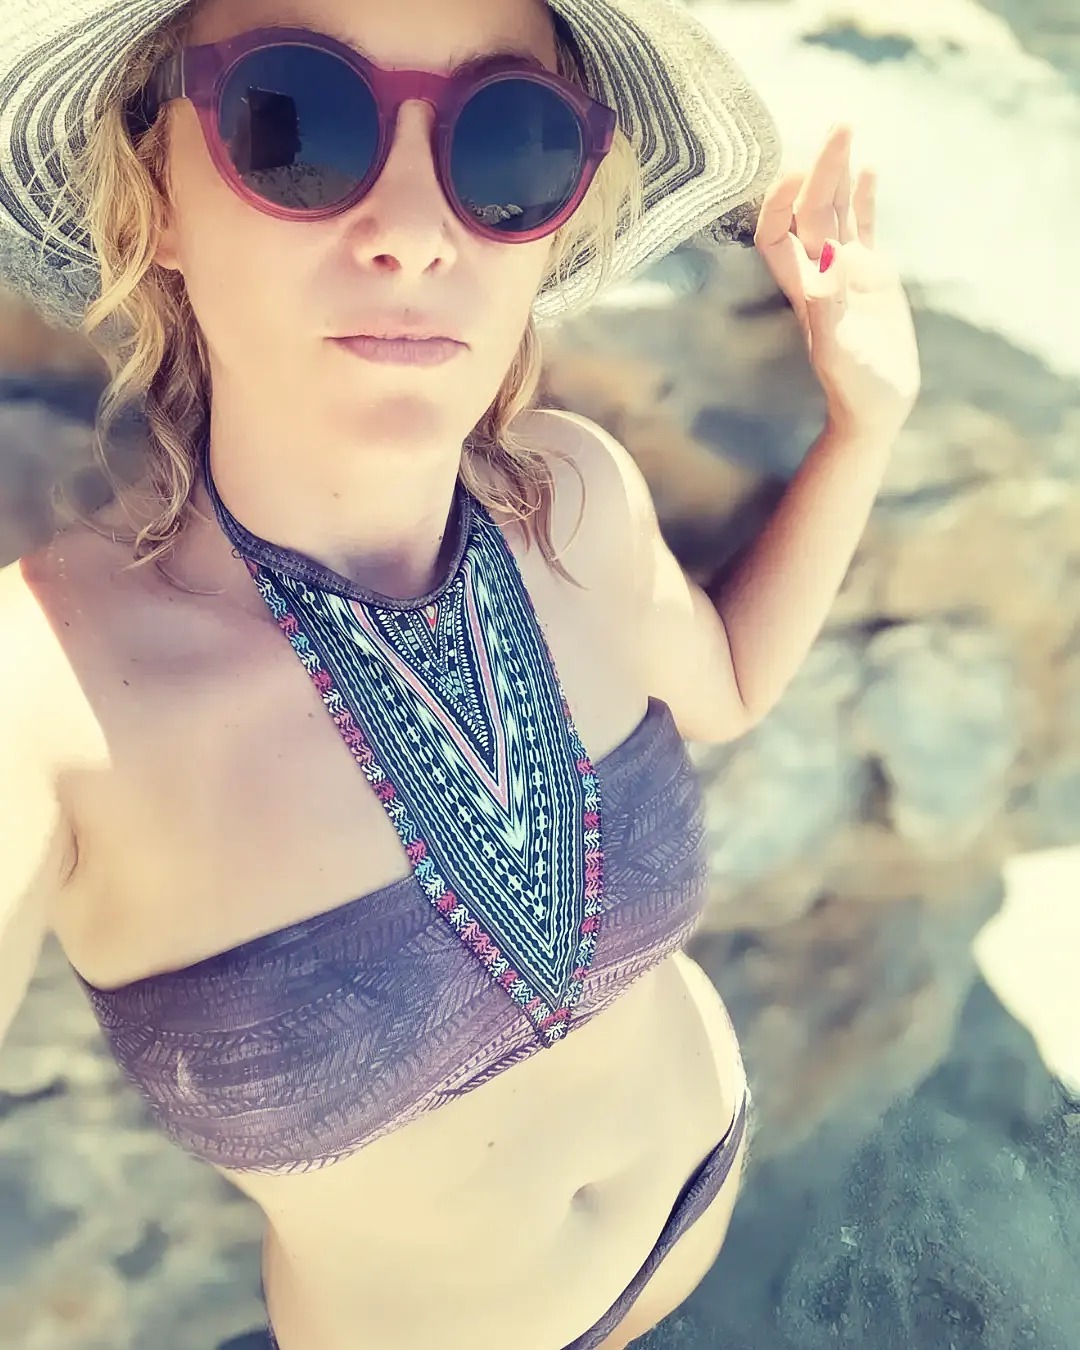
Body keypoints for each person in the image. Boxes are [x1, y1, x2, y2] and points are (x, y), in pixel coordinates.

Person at [0, 0, 920, 1346]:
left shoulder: (576, 496)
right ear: (158, 197)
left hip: (717, 1183)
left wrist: (866, 424)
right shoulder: (43, 701)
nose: (416, 233)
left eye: (507, 142)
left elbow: (725, 686)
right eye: (295, 123)